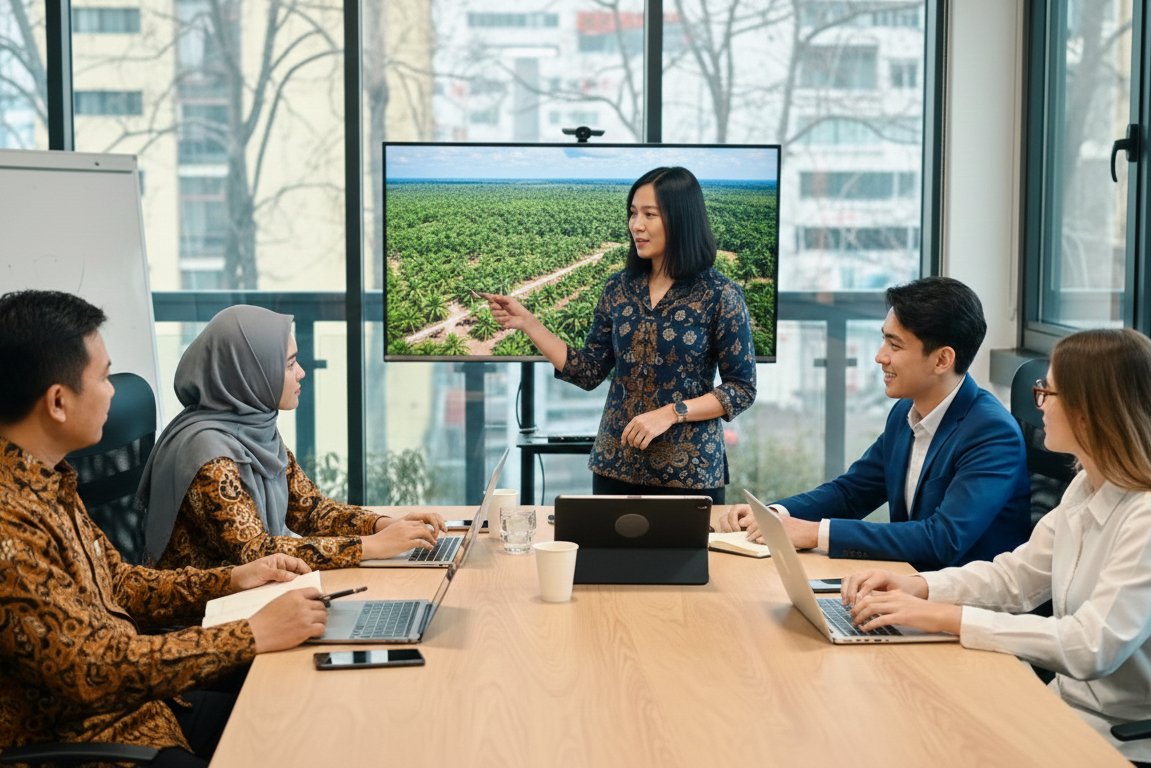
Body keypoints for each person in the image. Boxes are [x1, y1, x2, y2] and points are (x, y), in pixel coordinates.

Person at [0, 289, 328, 766]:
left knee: (300, 711)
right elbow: (93, 668)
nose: (114, 390)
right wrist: (251, 633)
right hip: (92, 744)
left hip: (147, 708)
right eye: (104, 377)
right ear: (57, 402)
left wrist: (236, 578)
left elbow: (121, 582)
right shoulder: (10, 524)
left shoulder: (51, 481)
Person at [841, 328, 1151, 765]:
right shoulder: (1086, 485)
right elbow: (1014, 578)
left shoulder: (1144, 516)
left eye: (1048, 391)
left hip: (1115, 740)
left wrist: (949, 619)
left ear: (1090, 411)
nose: (1037, 402)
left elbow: (1090, 646)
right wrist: (917, 587)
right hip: (1056, 709)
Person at [484, 166, 757, 505]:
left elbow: (741, 389)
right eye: (632, 213)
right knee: (608, 560)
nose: (636, 225)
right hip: (615, 468)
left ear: (681, 219)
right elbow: (588, 370)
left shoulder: (720, 294)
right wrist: (529, 323)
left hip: (690, 474)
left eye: (649, 214)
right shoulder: (618, 287)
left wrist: (672, 412)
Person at [718, 276, 1030, 570]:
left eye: (895, 346)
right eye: (884, 341)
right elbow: (851, 493)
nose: (880, 357)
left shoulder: (991, 434)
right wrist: (776, 515)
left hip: (963, 608)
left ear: (942, 360)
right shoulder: (905, 413)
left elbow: (942, 540)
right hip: (908, 587)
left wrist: (815, 534)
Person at [140, 304, 444, 570]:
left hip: (258, 596)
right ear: (250, 373)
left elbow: (310, 511)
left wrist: (385, 526)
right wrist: (373, 547)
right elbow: (256, 553)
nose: (301, 373)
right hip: (207, 616)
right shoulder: (208, 453)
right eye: (288, 364)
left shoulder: (253, 428)